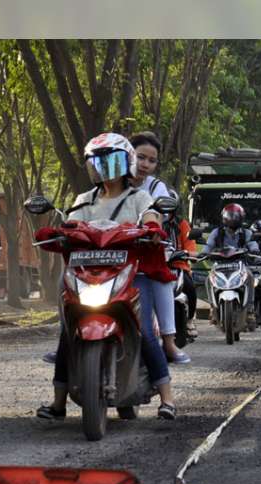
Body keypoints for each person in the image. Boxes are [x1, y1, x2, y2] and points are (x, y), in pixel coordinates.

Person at [37, 132, 178, 421]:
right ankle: (58, 401)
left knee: (146, 332)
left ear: (125, 162)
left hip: (129, 272)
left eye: (112, 160)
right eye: (98, 162)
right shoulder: (83, 199)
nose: (105, 167)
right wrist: (57, 234)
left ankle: (168, 398)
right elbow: (69, 224)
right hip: (87, 273)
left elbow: (153, 217)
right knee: (67, 331)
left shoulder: (139, 197)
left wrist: (152, 226)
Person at [129, 132, 189, 364]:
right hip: (114, 251)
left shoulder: (155, 187)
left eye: (151, 160)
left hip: (148, 249)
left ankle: (169, 340)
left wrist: (153, 231)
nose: (145, 164)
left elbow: (159, 216)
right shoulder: (114, 181)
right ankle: (69, 338)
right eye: (140, 157)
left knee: (162, 278)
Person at [161, 190, 199, 339]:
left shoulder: (182, 225)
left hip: (178, 266)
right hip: (157, 266)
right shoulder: (151, 223)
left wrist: (188, 253)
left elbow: (191, 247)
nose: (165, 211)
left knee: (190, 288)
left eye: (169, 207)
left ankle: (190, 320)